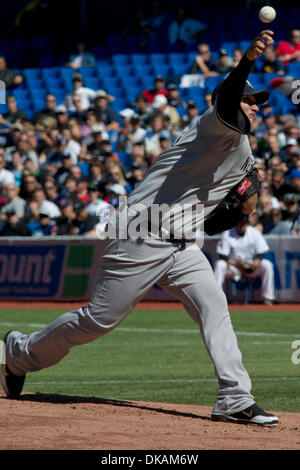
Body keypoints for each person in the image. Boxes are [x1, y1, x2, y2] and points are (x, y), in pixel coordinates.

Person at [1, 30, 279, 427]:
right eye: (249, 100)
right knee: (98, 321)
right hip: (140, 233)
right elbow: (229, 98)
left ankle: (235, 397)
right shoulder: (215, 125)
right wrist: (246, 63)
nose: (254, 107)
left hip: (182, 243)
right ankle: (17, 353)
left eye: (258, 102)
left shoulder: (243, 149)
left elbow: (215, 217)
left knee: (213, 306)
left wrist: (236, 209)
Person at [214, 217, 275, 305]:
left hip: (250, 265)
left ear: (247, 223)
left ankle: (268, 298)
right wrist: (237, 265)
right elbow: (223, 255)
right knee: (220, 264)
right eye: (240, 223)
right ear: (236, 223)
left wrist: (254, 264)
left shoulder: (254, 232)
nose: (242, 225)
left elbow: (261, 253)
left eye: (244, 223)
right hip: (234, 267)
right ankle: (216, 299)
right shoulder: (227, 233)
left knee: (267, 265)